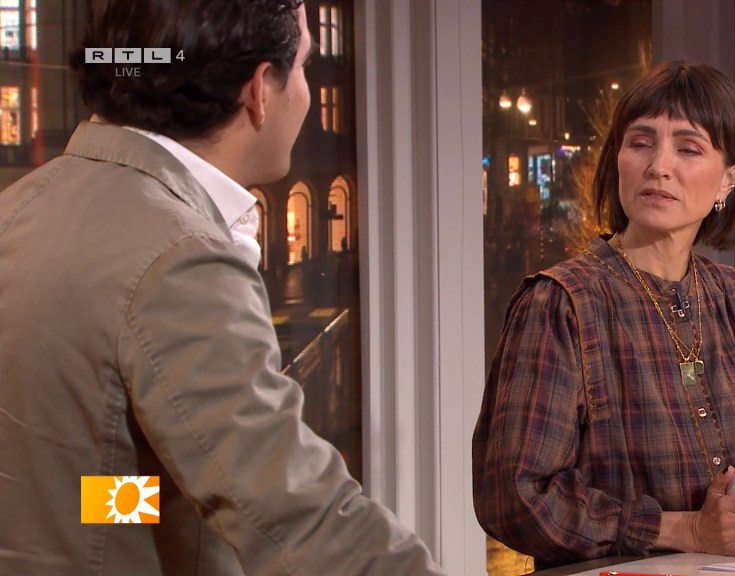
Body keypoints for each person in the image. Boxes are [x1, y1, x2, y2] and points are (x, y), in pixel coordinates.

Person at [0, 2, 444, 575]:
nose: (306, 93)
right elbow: (297, 516)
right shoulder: (177, 255)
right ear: (259, 90)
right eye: (303, 66)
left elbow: (71, 485)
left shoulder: (18, 209)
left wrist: (165, 506)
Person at [472, 60, 735, 568]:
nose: (659, 165)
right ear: (617, 159)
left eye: (688, 148)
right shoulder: (563, 302)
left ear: (728, 180)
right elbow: (515, 496)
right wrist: (683, 528)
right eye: (641, 142)